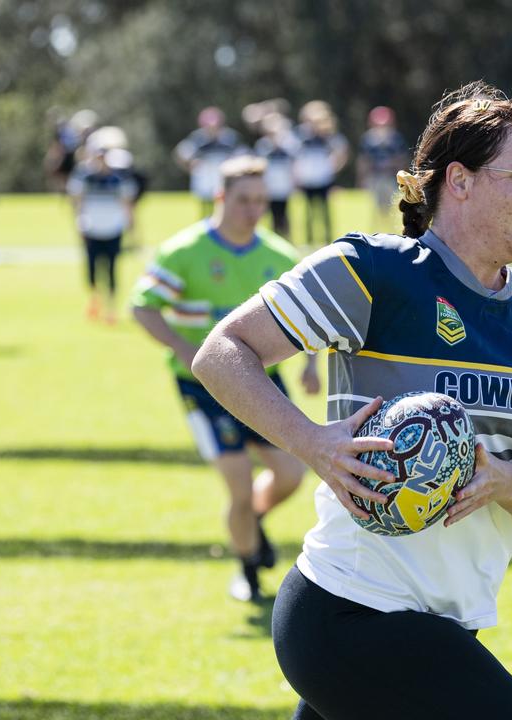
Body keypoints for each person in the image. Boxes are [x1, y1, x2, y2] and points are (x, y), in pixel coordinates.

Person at [191, 81, 512, 719]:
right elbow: (223, 352)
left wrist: (501, 481)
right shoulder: (372, 272)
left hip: (450, 624)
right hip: (351, 613)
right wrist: (314, 443)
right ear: (459, 180)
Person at [131, 155, 315, 602]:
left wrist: (311, 363)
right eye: (243, 200)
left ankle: (248, 526)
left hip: (261, 379)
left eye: (261, 201)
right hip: (202, 385)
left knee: (290, 474)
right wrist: (182, 348)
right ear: (220, 197)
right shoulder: (184, 252)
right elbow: (143, 306)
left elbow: (309, 317)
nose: (253, 210)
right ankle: (248, 569)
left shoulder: (278, 256)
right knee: (236, 481)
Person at [67, 127, 137, 323]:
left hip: (113, 230)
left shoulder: (118, 179)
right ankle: (95, 300)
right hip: (92, 229)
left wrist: (131, 230)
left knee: (112, 270)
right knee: (91, 271)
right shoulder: (85, 177)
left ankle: (111, 309)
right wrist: (79, 224)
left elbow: (127, 206)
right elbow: (78, 202)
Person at [293, 100, 350, 247]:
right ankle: (309, 240)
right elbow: (295, 155)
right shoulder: (302, 135)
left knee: (325, 212)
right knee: (309, 212)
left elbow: (342, 150)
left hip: (323, 179)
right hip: (308, 179)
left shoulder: (328, 135)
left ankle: (327, 239)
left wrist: (334, 167)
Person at [174, 106, 245, 217]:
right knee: (206, 208)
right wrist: (190, 165)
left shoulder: (230, 138)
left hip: (224, 178)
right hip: (205, 179)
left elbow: (243, 155)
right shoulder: (198, 138)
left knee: (224, 206)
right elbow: (181, 153)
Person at [356, 104, 409, 229]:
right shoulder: (368, 139)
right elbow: (364, 160)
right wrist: (362, 178)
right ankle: (376, 229)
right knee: (375, 206)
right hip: (375, 177)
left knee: (392, 205)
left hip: (390, 177)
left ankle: (392, 229)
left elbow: (402, 159)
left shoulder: (396, 138)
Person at [254, 112, 298, 239]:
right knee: (271, 215)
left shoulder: (288, 145)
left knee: (284, 214)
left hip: (284, 186)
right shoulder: (263, 146)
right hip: (270, 187)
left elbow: (293, 165)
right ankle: (273, 237)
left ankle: (286, 237)